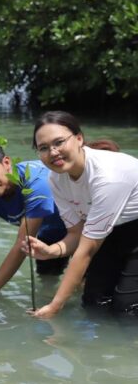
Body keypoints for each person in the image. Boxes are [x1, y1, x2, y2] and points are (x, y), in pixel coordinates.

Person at [25, 111, 138, 318]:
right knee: (94, 304)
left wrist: (55, 306)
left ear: (79, 138)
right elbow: (76, 234)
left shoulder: (107, 177)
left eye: (59, 142)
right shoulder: (56, 179)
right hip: (111, 232)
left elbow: (85, 251)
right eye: (43, 148)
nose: (53, 152)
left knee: (126, 310)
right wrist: (51, 251)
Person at [0, 141, 67, 300]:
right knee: (48, 284)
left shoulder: (36, 184)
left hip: (83, 229)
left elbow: (21, 245)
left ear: (6, 163)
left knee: (87, 288)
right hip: (48, 235)